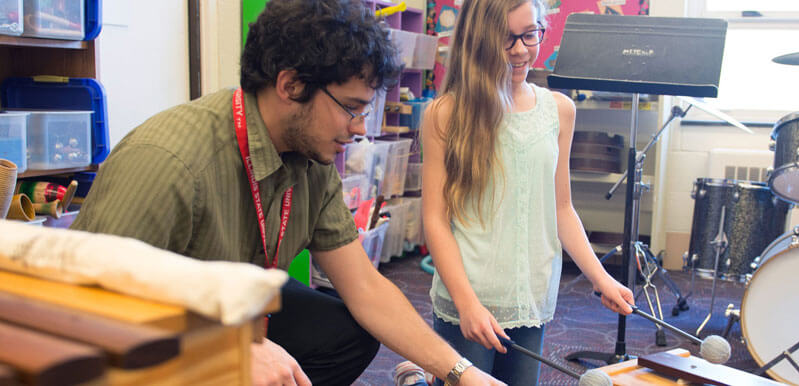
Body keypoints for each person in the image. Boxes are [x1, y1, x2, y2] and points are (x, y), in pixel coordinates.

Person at [70, 0, 503, 385]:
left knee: (347, 330)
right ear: (291, 86)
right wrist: (226, 350)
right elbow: (85, 313)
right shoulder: (168, 162)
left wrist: (462, 371)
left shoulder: (310, 158)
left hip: (232, 303)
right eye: (351, 108)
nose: (358, 129)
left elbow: (366, 288)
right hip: (137, 327)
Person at [419, 0, 636, 384]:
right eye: (506, 38)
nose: (521, 50)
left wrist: (601, 278)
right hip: (470, 296)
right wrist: (467, 305)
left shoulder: (559, 111)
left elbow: (562, 209)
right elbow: (435, 219)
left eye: (530, 33)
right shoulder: (445, 113)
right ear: (478, 39)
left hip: (532, 296)